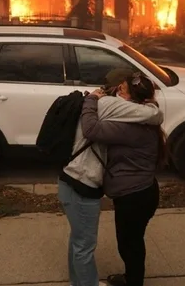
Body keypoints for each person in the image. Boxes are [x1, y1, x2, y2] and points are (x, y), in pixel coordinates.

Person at [58, 70, 163, 286]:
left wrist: (92, 100)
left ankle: (133, 282)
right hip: (140, 193)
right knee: (131, 242)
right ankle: (131, 278)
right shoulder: (141, 119)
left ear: (134, 101)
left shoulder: (131, 127)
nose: (117, 93)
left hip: (135, 197)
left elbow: (92, 129)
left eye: (123, 91)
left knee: (129, 244)